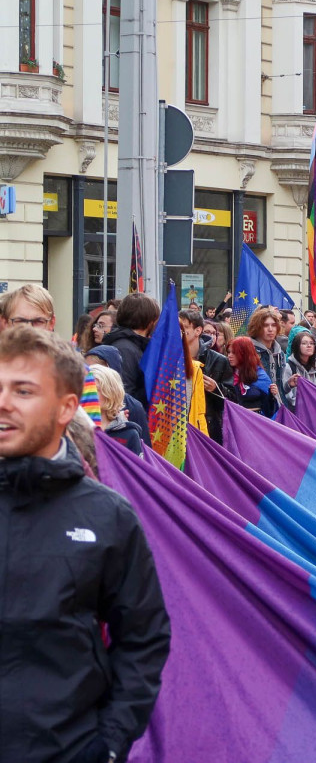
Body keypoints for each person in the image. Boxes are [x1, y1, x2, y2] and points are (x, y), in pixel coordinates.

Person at [0, 327, 170, 763]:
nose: (3, 403)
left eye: (23, 390)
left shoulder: (107, 516)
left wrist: (109, 743)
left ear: (66, 408)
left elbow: (144, 637)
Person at [182, 309, 233, 444]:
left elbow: (233, 400)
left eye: (184, 327)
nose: (179, 331)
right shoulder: (170, 358)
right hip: (178, 430)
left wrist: (216, 389)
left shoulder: (219, 360)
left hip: (208, 430)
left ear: (198, 331)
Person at [91, 364, 144, 457]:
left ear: (111, 392)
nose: (89, 395)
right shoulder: (75, 430)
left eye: (95, 389)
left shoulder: (128, 434)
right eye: (85, 390)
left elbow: (134, 469)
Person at [247, 306, 285, 415]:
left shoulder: (280, 353)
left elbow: (281, 385)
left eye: (273, 325)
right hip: (258, 410)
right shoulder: (249, 350)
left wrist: (289, 384)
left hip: (278, 408)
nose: (270, 329)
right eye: (265, 325)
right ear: (257, 327)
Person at [227, 336, 275, 415]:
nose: (230, 355)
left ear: (245, 353)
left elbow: (269, 410)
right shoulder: (227, 373)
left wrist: (272, 395)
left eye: (234, 352)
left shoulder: (260, 375)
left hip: (255, 421)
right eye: (228, 352)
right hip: (234, 420)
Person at [283, 330, 316, 409]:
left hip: (314, 410)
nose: (309, 346)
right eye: (304, 343)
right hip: (297, 411)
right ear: (297, 346)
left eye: (312, 343)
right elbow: (286, 393)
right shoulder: (289, 366)